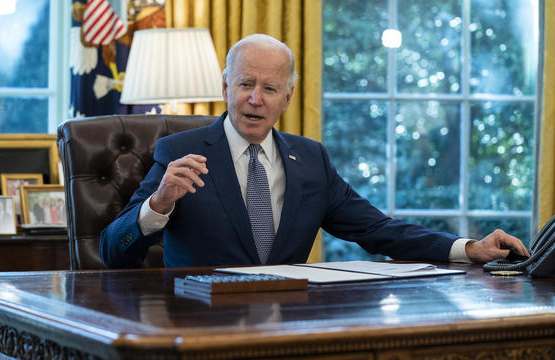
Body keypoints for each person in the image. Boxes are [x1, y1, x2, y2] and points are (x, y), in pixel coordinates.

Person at [100, 34, 530, 268]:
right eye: (246, 84)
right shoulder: (179, 152)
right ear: (226, 87)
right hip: (198, 326)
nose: (256, 99)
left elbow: (380, 231)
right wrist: (158, 204)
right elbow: (112, 253)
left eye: (270, 89)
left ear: (287, 99)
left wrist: (469, 247)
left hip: (293, 325)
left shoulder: (311, 160)